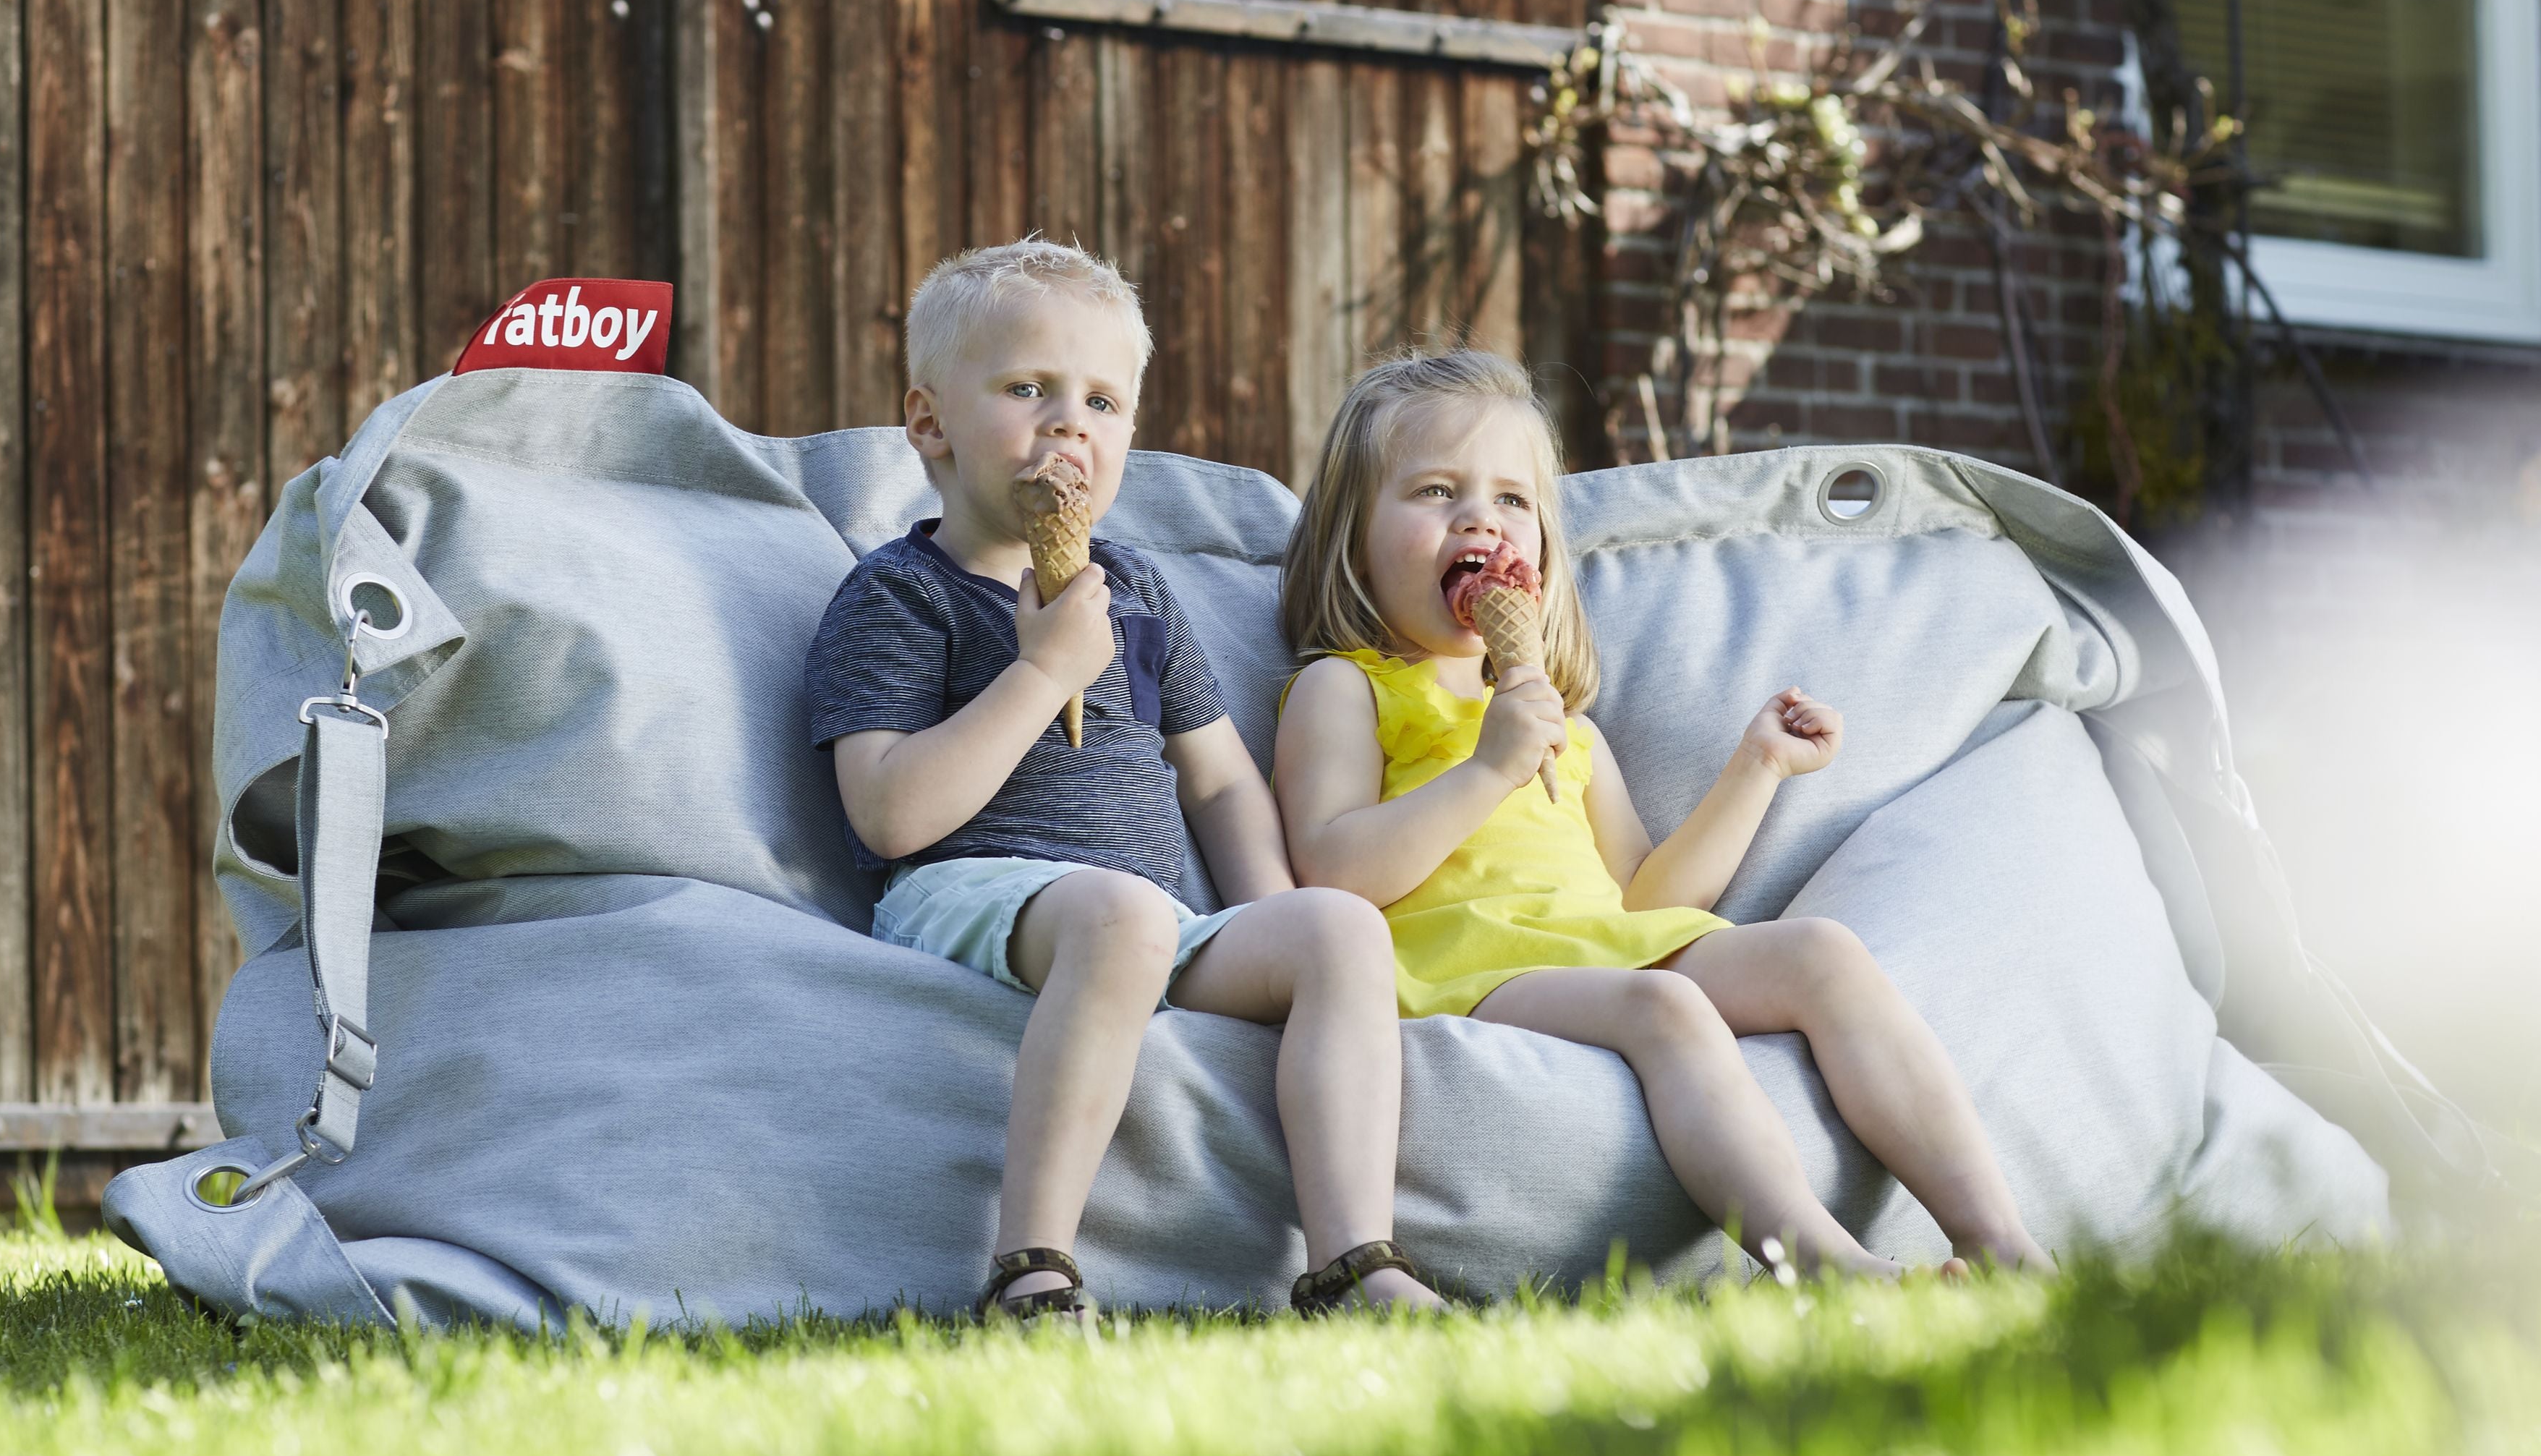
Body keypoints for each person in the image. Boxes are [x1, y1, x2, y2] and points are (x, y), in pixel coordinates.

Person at [1267, 349, 2051, 1277]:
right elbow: (1329, 872)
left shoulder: (1565, 725)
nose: (1480, 516)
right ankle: (1829, 1269)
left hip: (1595, 941)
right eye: (1436, 491)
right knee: (1663, 1006)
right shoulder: (1345, 689)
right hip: (1464, 969)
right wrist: (1483, 772)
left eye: (1512, 501)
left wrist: (1754, 769)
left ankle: (1999, 1242)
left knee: (1824, 954)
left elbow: (1643, 897)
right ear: (1351, 534)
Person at [805, 240, 1448, 1318]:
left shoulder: (1137, 586)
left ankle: (1352, 1263)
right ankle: (1032, 1266)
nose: (1069, 425)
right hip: (970, 895)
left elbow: (1222, 783)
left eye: (1102, 402)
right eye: (1028, 390)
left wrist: (1274, 918)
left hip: (1153, 917)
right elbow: (888, 810)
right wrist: (1044, 669)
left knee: (1338, 928)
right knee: (1122, 917)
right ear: (929, 424)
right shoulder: (900, 594)